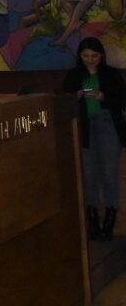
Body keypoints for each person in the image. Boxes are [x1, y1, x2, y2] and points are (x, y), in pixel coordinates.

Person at [61, 37, 126, 241]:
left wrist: (103, 97)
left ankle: (110, 216)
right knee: (88, 174)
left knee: (108, 171)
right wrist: (77, 96)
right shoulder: (74, 75)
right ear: (80, 56)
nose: (90, 60)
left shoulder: (111, 74)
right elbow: (63, 102)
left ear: (101, 56)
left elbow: (122, 99)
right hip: (84, 126)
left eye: (94, 56)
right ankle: (92, 218)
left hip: (107, 124)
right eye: (86, 56)